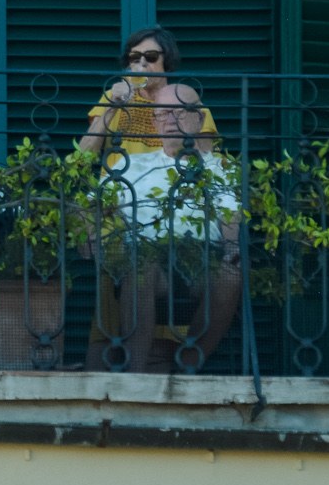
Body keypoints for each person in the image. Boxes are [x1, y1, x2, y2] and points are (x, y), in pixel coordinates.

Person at [95, 97, 243, 375]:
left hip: (203, 264)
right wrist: (90, 234)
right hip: (148, 259)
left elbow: (230, 217)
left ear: (199, 120)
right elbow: (92, 204)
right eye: (164, 113)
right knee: (141, 267)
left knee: (232, 273)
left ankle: (186, 366)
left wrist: (232, 246)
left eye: (182, 111)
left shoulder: (221, 168)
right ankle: (136, 376)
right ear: (154, 123)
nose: (173, 118)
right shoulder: (130, 166)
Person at [78, 26, 219, 162]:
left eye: (151, 56)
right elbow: (83, 157)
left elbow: (207, 159)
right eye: (135, 57)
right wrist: (113, 106)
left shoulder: (185, 99)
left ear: (167, 60)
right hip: (121, 183)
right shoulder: (112, 97)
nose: (142, 63)